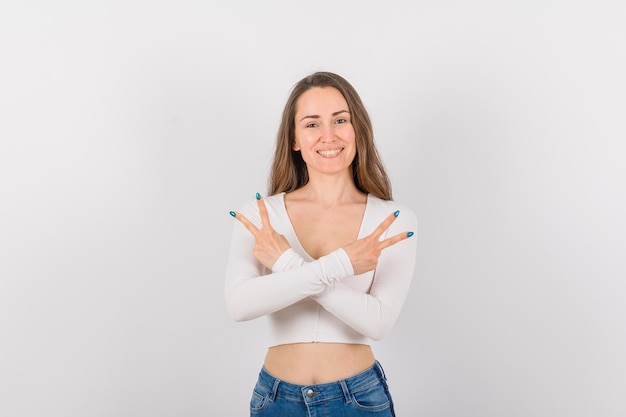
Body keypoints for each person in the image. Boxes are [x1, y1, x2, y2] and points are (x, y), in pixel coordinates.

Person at [224, 71, 417, 416]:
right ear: (294, 139)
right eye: (312, 124)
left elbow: (377, 322)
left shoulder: (393, 219)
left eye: (340, 120)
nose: (328, 136)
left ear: (358, 129)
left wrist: (285, 262)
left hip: (357, 400)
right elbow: (239, 305)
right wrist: (341, 265)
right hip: (276, 401)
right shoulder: (260, 216)